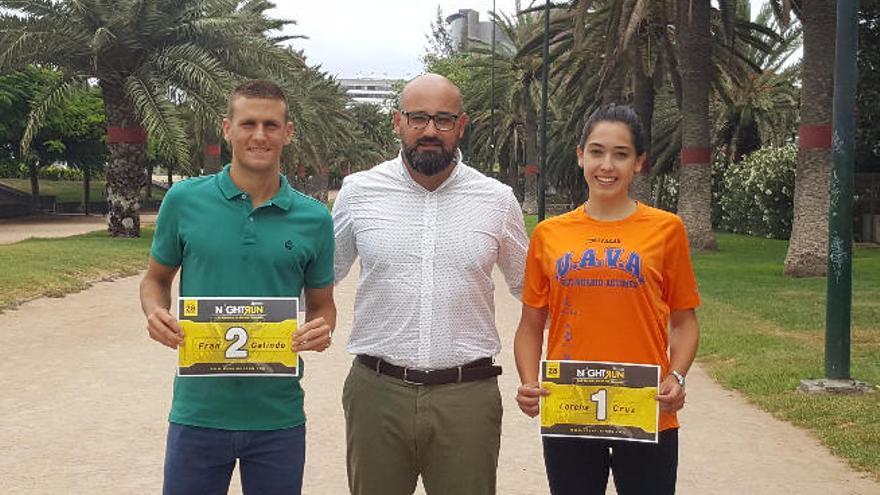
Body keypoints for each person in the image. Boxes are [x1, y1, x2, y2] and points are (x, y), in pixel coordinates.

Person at [332, 73, 529, 495]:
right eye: (418, 118)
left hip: (467, 398)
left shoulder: (496, 199)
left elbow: (533, 289)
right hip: (376, 394)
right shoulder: (358, 192)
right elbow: (319, 276)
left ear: (462, 125)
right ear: (397, 121)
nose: (429, 131)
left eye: (443, 120)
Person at [139, 79, 336, 495]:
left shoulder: (314, 218)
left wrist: (321, 329)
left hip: (277, 417)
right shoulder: (183, 200)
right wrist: (155, 312)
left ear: (288, 132)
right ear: (227, 129)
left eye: (270, 124)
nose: (259, 135)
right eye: (248, 123)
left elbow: (323, 305)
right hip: (198, 412)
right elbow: (155, 281)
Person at [514, 103, 701, 495]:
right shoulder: (549, 234)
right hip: (571, 404)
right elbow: (531, 325)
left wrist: (677, 376)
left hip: (648, 406)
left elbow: (684, 320)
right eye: (597, 151)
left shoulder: (667, 230)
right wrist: (529, 382)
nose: (607, 165)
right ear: (580, 155)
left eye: (621, 154)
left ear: (639, 162)